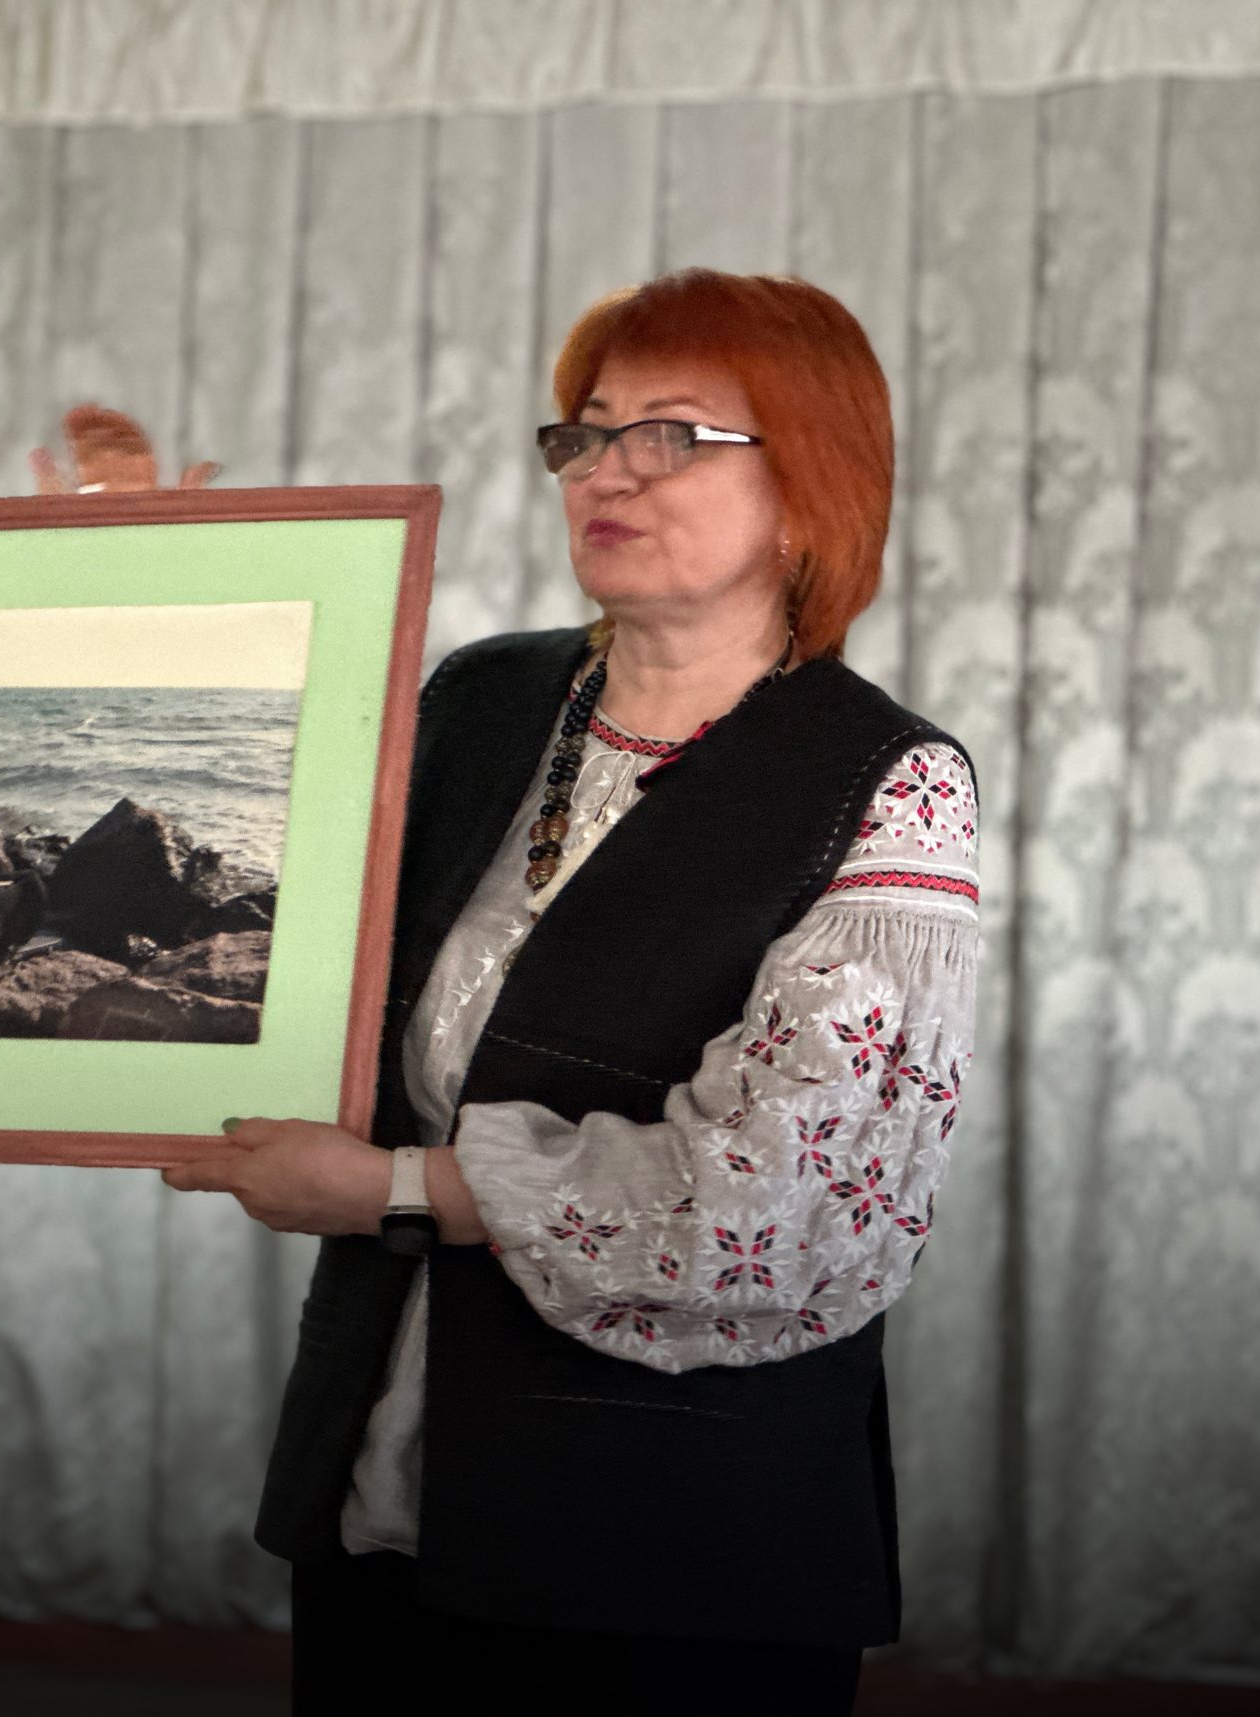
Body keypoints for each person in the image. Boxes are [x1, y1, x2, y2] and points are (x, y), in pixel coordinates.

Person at [158, 268, 979, 1715]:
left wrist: (390, 1189)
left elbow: (781, 1206)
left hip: (675, 1544)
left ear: (812, 486)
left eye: (672, 434)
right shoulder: (479, 701)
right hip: (379, 1484)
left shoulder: (889, 781)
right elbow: (271, 924)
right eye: (587, 432)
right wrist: (140, 604)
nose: (606, 469)